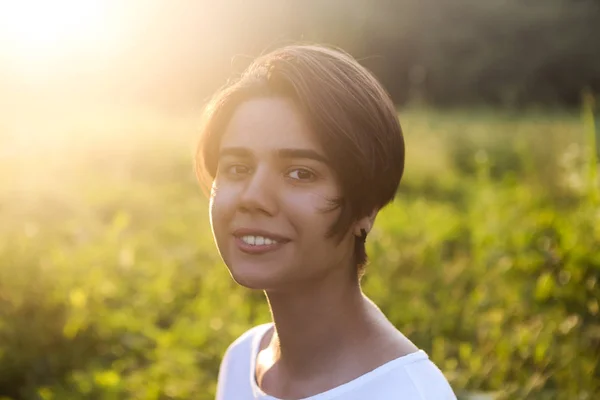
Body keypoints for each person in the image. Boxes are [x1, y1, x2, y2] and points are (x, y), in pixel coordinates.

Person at [195, 44, 457, 400]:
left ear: (366, 208)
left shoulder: (408, 393)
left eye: (300, 173)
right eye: (237, 168)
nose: (253, 197)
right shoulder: (243, 360)